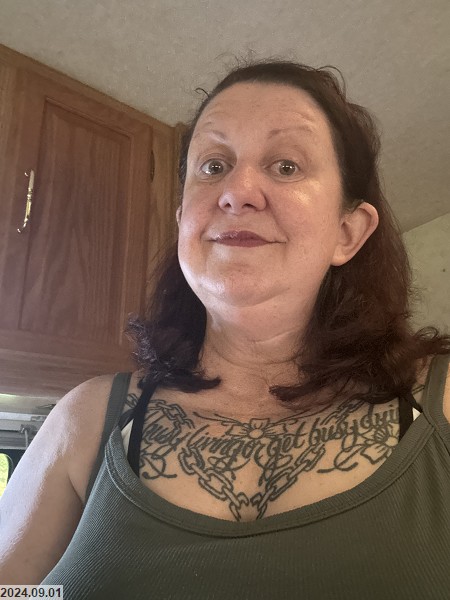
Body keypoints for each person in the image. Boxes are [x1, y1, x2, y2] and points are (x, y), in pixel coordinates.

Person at [0, 59, 449, 599]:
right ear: (183, 221)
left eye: (286, 166)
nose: (237, 191)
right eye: (213, 165)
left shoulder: (442, 402)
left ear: (348, 232)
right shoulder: (86, 419)